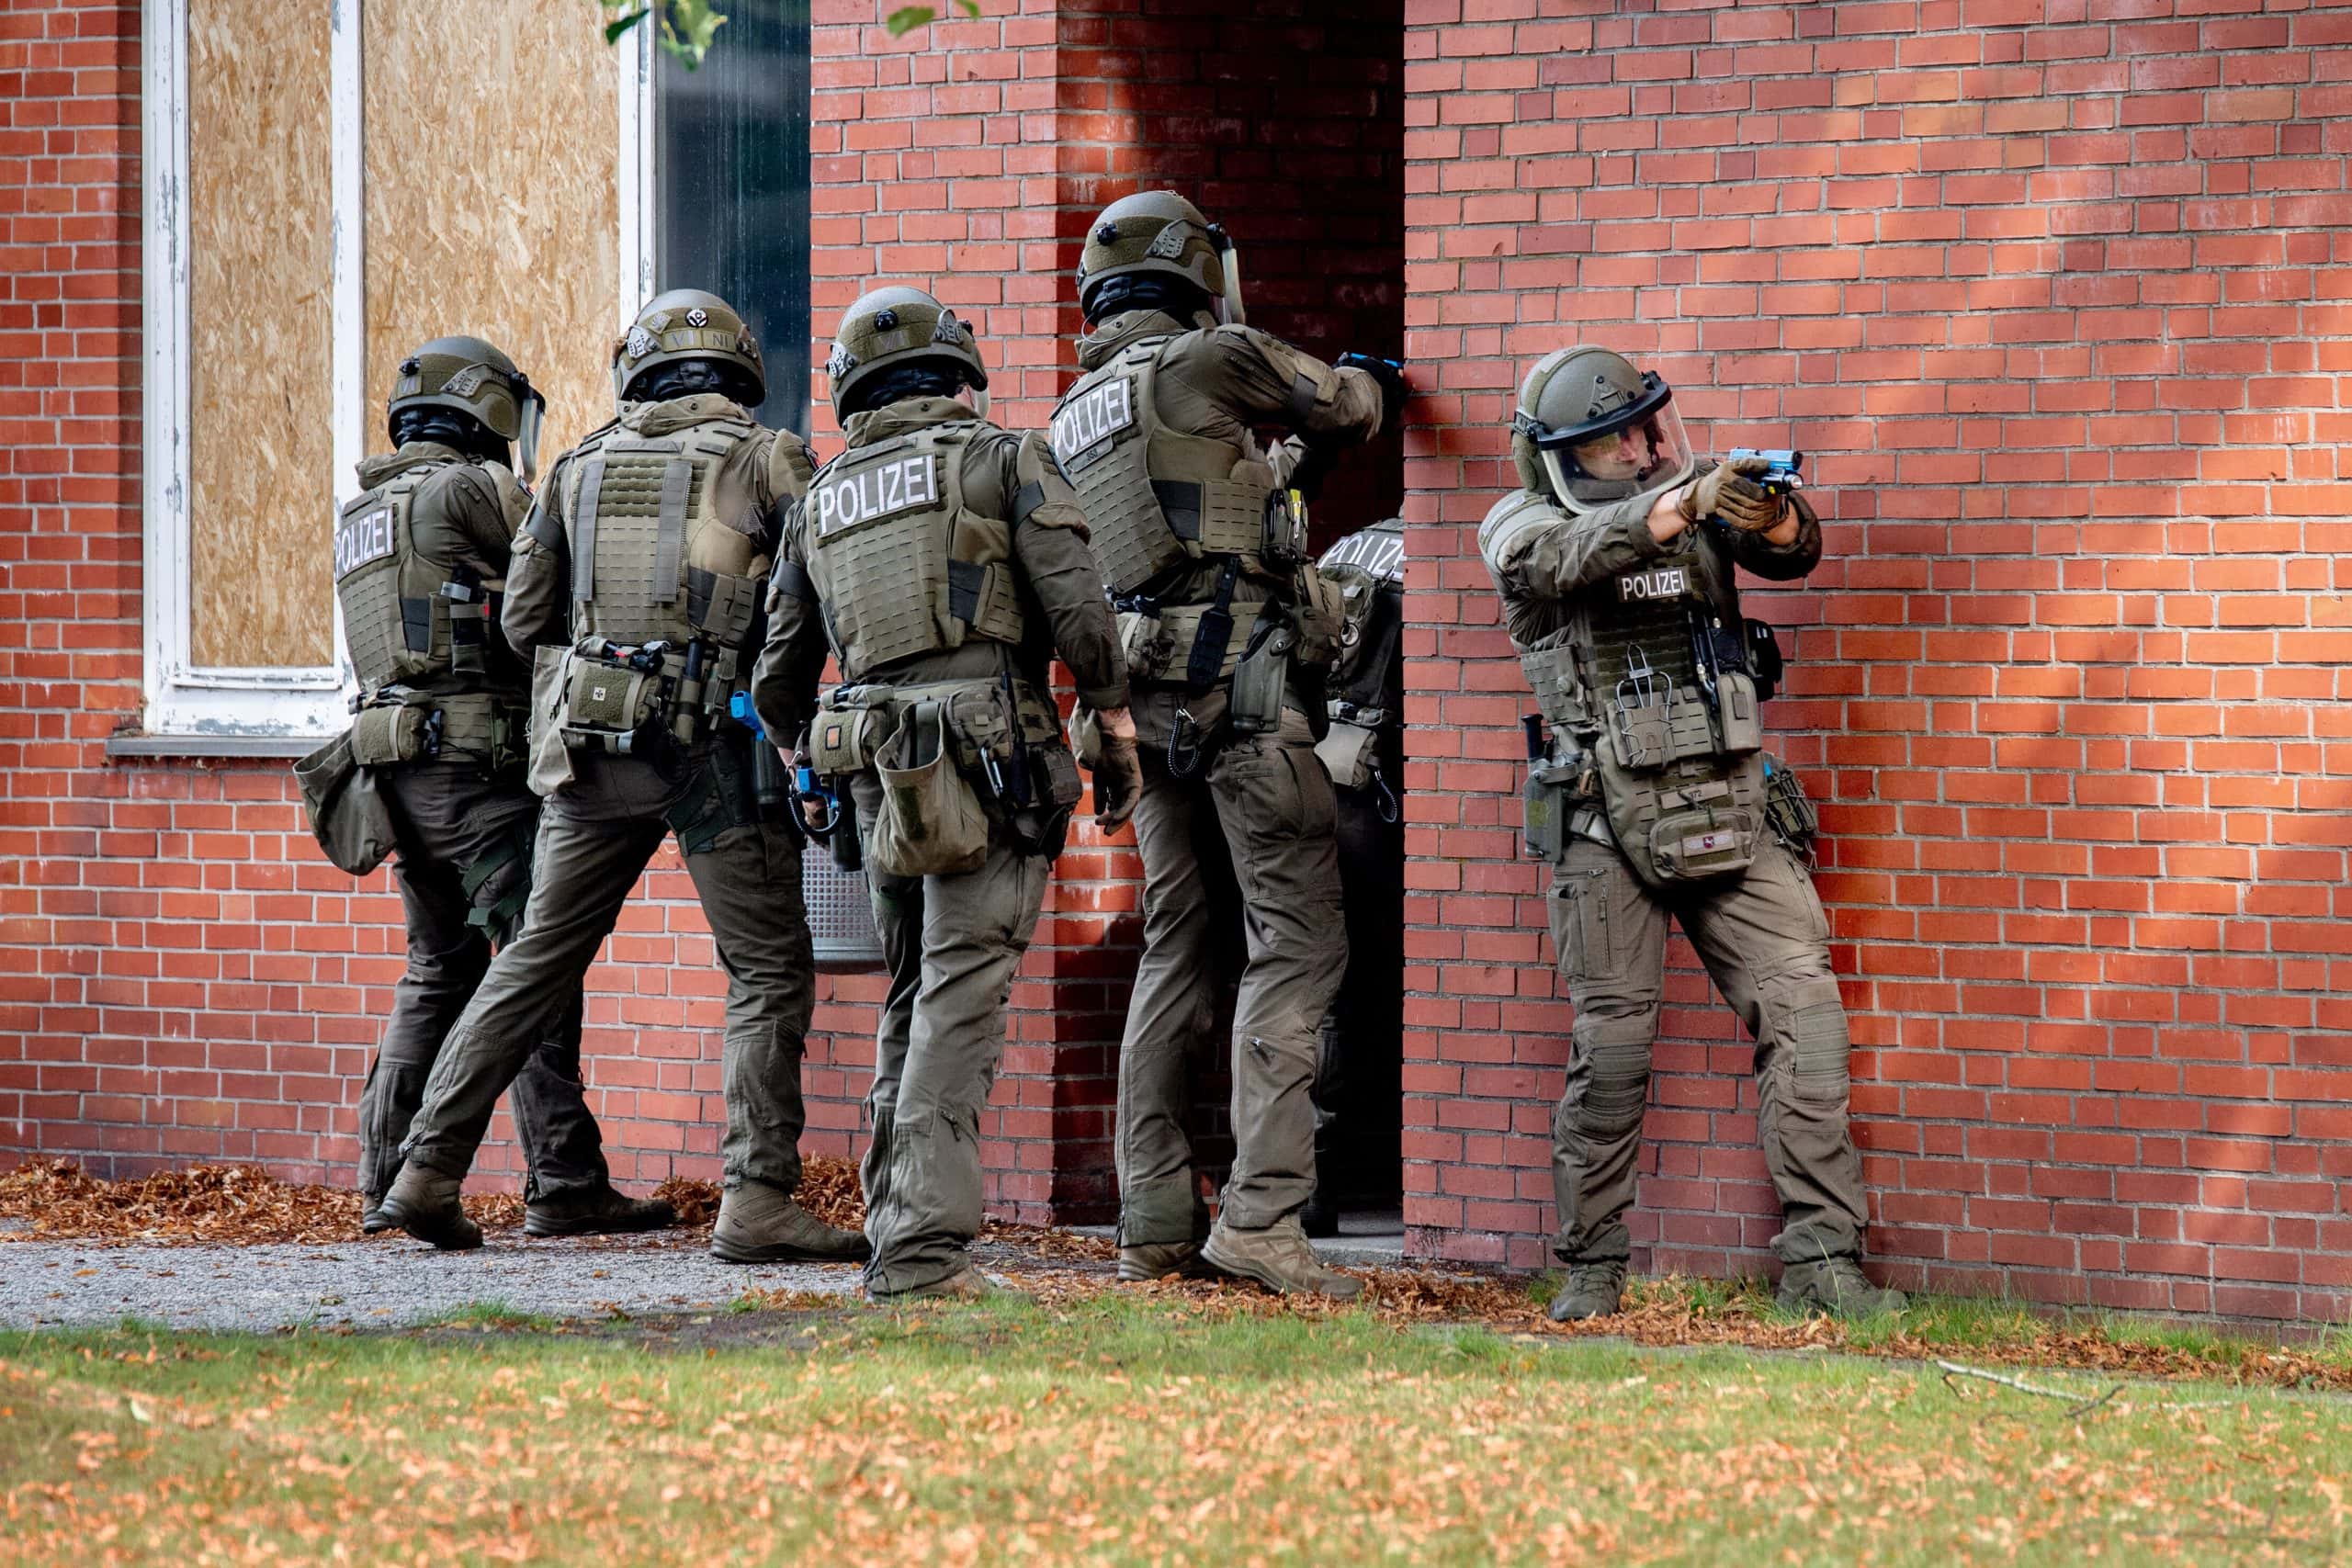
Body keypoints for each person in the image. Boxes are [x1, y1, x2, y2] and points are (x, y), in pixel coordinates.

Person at [377, 291, 864, 1266]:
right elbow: (818, 603)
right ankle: (757, 1200)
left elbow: (525, 623)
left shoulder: (574, 466)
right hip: (715, 756)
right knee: (766, 970)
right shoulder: (767, 457)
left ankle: (426, 1173)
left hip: (590, 755)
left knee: (535, 958)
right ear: (737, 367)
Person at [1479, 344, 1905, 1321]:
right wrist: (1681, 505)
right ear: (1568, 450)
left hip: (1728, 800)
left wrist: (1770, 511)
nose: (1642, 444)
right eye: (1616, 434)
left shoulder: (1695, 496)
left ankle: (1824, 1262)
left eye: (1648, 425)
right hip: (1601, 817)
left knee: (1805, 1018)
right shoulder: (1520, 523)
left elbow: (1792, 554)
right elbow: (1570, 559)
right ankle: (1589, 1269)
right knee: (1613, 1048)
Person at [752, 285, 1138, 1302]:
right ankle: (921, 1252)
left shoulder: (818, 501)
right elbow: (1080, 614)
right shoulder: (1004, 459)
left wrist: (809, 762)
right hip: (986, 762)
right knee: (960, 997)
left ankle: (895, 1224)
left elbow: (776, 683)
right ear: (958, 374)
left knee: (915, 990)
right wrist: (1115, 718)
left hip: (875, 775)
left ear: (852, 391)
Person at [1054, 190, 1405, 1297]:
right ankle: (1262, 1219)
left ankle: (1153, 1217)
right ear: (1199, 276)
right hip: (1248, 707)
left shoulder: (1079, 410)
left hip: (1150, 714)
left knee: (1177, 947)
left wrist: (1276, 475)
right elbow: (1348, 407)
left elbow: (1202, 519)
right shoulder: (1211, 360)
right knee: (1297, 948)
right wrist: (1371, 380)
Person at [322, 336, 671, 1240]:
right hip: (479, 776)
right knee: (535, 964)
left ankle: (383, 1178)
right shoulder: (471, 489)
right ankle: (561, 1178)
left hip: (397, 776)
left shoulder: (365, 509)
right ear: (487, 408)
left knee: (436, 972)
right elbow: (553, 572)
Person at [1301, 514, 1406, 1237]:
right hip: (1380, 798)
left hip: (1315, 771)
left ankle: (1308, 1185)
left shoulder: (1347, 544)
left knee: (1316, 986)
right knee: (1368, 994)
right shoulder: (1434, 546)